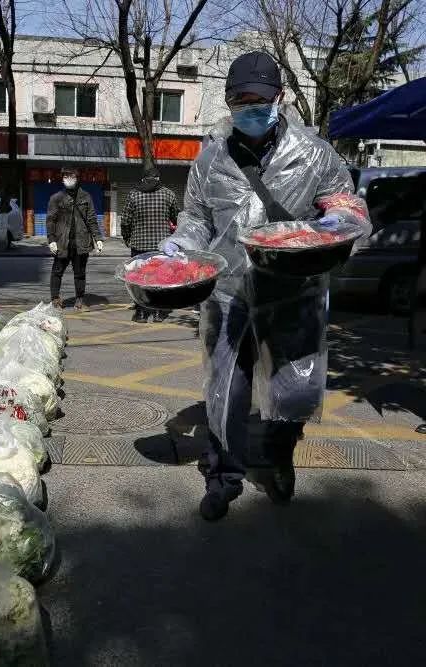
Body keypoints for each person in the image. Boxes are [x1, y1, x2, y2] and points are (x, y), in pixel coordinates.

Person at [160, 51, 371, 521]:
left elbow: (342, 200)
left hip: (292, 290)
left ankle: (278, 459)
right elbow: (196, 217)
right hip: (229, 293)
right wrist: (179, 245)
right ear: (230, 103)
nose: (251, 109)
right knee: (225, 390)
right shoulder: (211, 159)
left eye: (260, 100)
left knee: (292, 388)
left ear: (280, 98)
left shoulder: (314, 154)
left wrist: (340, 219)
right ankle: (224, 476)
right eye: (241, 101)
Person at [122, 167, 180, 322]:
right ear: (158, 178)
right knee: (161, 278)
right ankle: (158, 312)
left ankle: (141, 312)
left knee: (139, 278)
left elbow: (126, 221)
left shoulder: (134, 194)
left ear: (143, 179)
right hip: (162, 246)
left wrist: (127, 238)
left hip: (139, 245)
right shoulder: (168, 194)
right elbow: (177, 219)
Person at [47, 166, 104, 311]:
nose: (68, 179)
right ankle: (55, 299)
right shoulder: (56, 198)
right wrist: (51, 240)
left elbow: (91, 219)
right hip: (61, 242)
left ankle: (79, 300)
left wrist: (98, 238)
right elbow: (51, 220)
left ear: (77, 178)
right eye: (65, 176)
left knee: (80, 273)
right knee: (57, 271)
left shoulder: (85, 197)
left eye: (71, 176)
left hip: (81, 242)